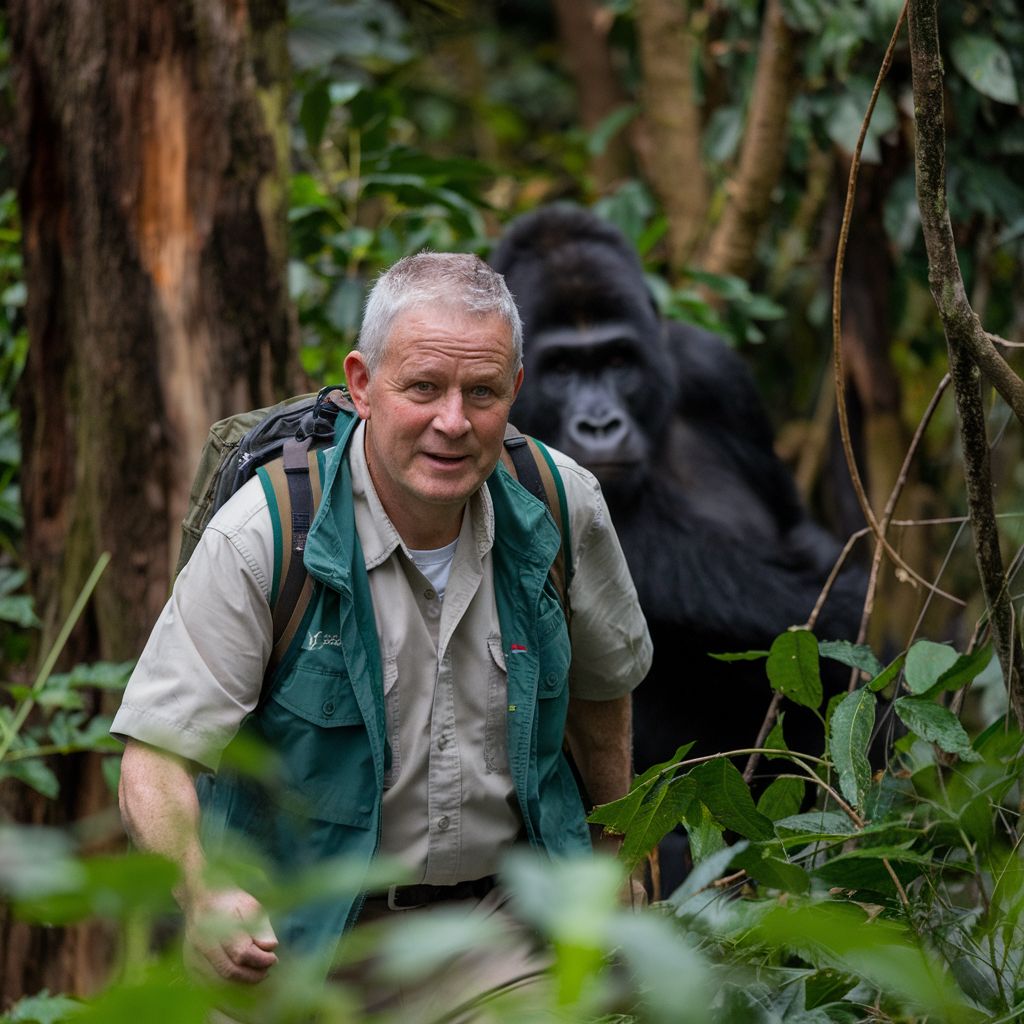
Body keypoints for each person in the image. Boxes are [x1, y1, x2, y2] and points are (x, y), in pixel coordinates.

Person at [112, 252, 652, 1014]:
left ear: (515, 390)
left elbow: (603, 696)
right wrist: (203, 893)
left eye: (482, 392)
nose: (453, 423)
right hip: (295, 937)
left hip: (498, 930)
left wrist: (615, 854)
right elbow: (154, 759)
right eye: (423, 388)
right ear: (363, 385)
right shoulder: (268, 532)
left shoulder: (560, 506)